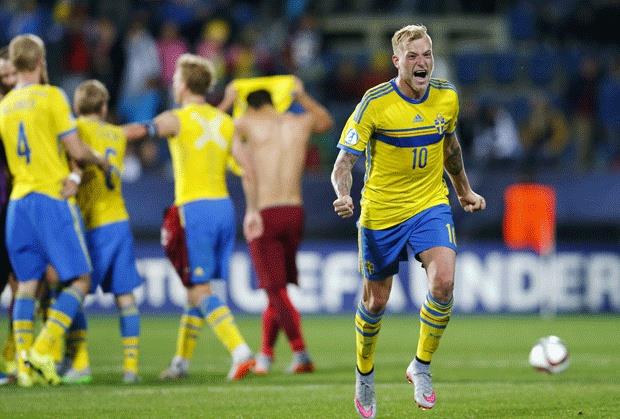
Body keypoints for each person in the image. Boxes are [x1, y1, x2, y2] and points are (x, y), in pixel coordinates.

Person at [330, 24, 485, 417]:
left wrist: (463, 190)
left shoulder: (447, 96)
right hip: (381, 212)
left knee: (444, 282)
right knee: (375, 301)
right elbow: (343, 163)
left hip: (430, 204)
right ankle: (364, 374)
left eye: (427, 54)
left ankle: (421, 365)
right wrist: (343, 194)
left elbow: (450, 147)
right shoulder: (375, 102)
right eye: (412, 56)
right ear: (396, 61)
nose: (422, 62)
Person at [129, 53, 255, 381]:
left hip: (194, 209)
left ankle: (240, 352)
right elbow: (247, 168)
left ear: (183, 85)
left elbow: (143, 130)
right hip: (223, 208)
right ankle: (181, 363)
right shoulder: (224, 122)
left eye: (175, 80)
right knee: (195, 289)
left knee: (199, 289)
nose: (173, 84)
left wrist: (107, 133)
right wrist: (254, 209)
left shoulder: (177, 118)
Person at [0, 34, 111, 387]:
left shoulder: (4, 105)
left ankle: (23, 366)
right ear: (40, 61)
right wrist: (99, 160)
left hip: (18, 201)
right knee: (80, 280)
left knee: (26, 284)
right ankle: (43, 348)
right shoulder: (52, 97)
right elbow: (76, 149)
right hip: (50, 196)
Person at [219, 78, 333, 375]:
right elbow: (326, 121)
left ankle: (300, 352)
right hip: (294, 211)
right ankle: (266, 354)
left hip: (264, 213)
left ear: (249, 105)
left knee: (274, 289)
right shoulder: (297, 123)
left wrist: (228, 100)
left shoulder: (246, 123)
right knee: (276, 290)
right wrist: (302, 95)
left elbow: (210, 128)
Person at [53, 79, 145, 385]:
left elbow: (74, 157)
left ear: (76, 106)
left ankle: (80, 363)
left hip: (89, 224)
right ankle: (131, 369)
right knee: (125, 297)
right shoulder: (117, 134)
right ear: (104, 107)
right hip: (119, 220)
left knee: (73, 290)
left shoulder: (75, 128)